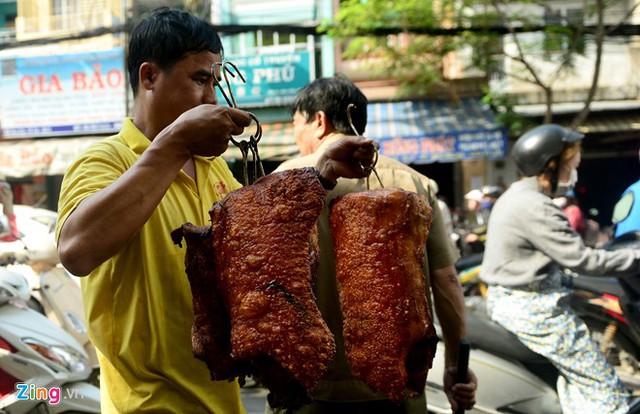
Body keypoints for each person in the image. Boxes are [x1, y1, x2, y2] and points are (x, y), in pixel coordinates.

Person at [54, 9, 376, 414]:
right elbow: (76, 251)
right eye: (199, 80)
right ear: (149, 76)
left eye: (215, 83)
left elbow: (260, 234)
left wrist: (320, 171)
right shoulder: (104, 161)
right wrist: (173, 145)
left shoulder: (212, 167)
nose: (210, 98)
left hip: (224, 401)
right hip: (147, 405)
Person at [268, 75, 477, 414]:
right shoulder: (414, 183)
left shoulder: (282, 181)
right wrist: (455, 365)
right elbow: (446, 280)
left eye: (296, 125)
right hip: (397, 387)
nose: (295, 135)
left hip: (308, 389)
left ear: (318, 121)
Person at [480, 123, 640, 414]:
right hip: (536, 310)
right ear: (551, 165)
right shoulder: (537, 206)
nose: (574, 172)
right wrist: (636, 259)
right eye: (571, 165)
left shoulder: (515, 196)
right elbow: (583, 260)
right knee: (605, 390)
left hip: (514, 302)